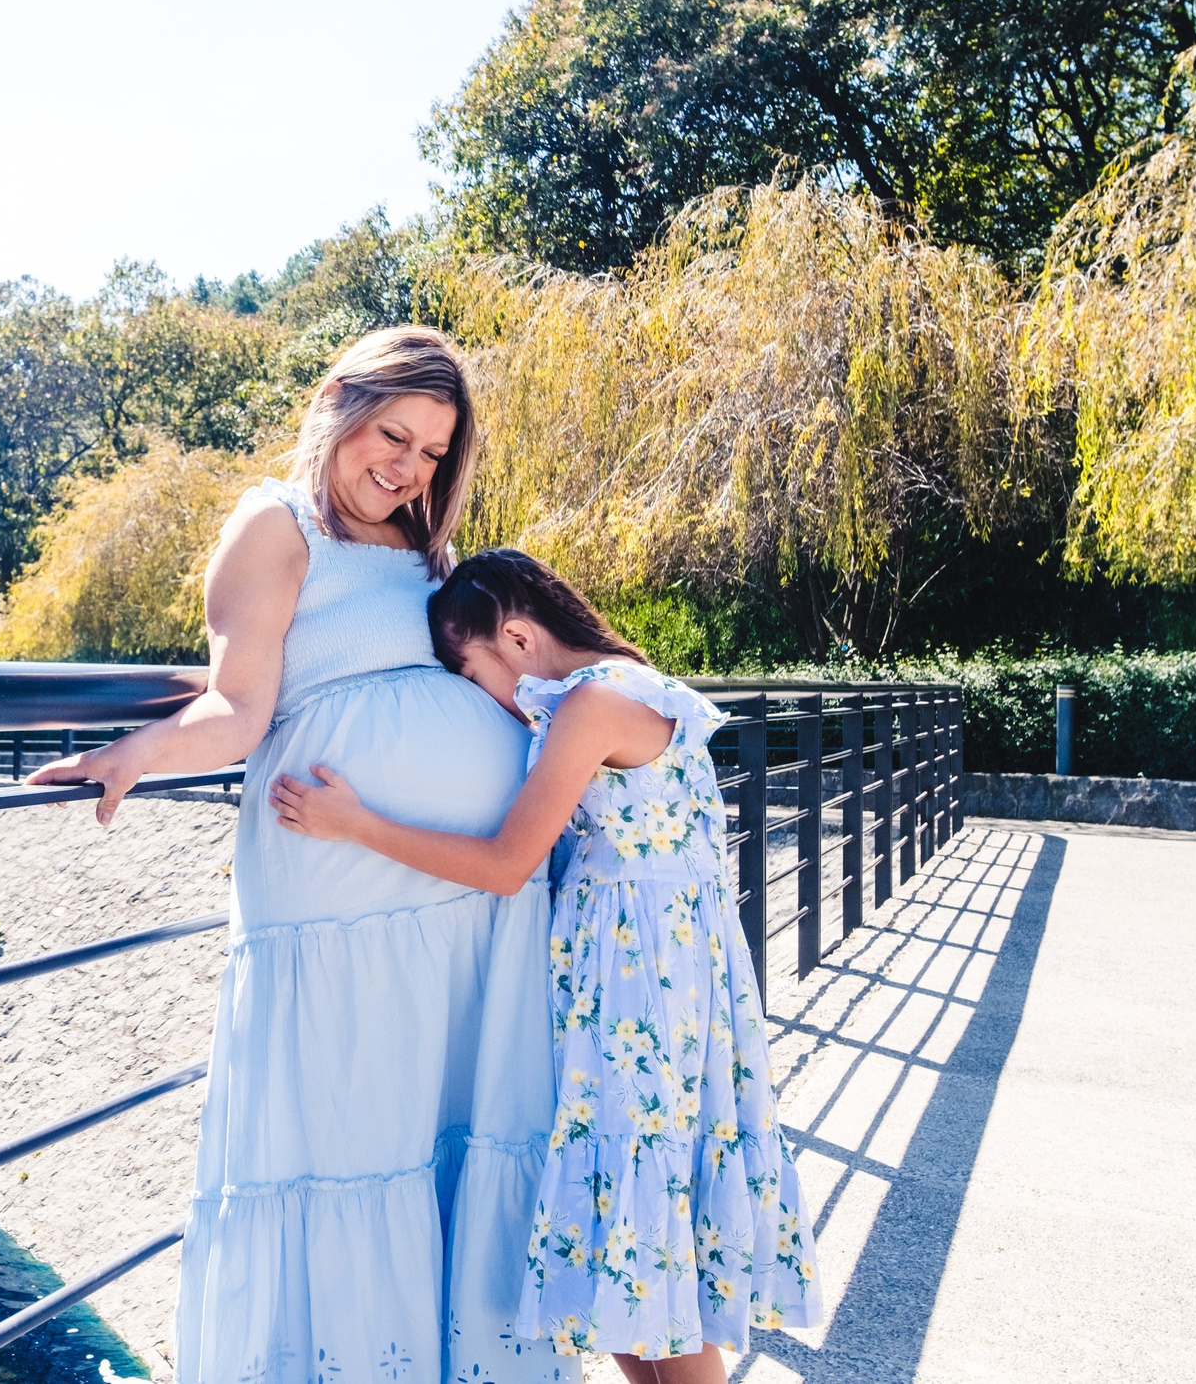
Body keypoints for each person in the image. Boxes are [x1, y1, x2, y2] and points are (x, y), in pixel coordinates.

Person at [31, 328, 574, 1384]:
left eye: (430, 451)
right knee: (350, 1128)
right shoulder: (274, 526)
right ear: (338, 401)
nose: (407, 465)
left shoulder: (426, 554)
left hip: (462, 890)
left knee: (442, 1129)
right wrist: (135, 753)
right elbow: (237, 707)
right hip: (335, 886)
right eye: (392, 433)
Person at [268, 550, 823, 1382]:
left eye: (470, 668)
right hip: (666, 980)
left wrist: (356, 823)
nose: (479, 692)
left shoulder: (593, 706)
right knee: (625, 1254)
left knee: (638, 1249)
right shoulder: (634, 683)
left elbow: (506, 862)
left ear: (516, 635)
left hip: (638, 993)